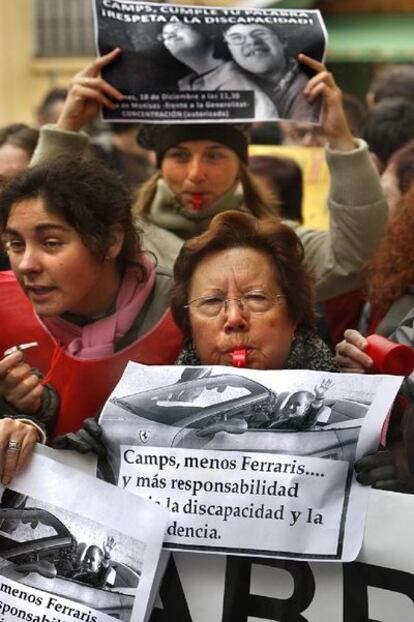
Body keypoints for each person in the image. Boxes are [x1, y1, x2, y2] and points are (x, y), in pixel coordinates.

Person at [32, 49, 388, 305]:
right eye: (179, 155)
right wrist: (68, 126)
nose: (196, 174)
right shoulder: (120, 242)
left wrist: (341, 139)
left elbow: (358, 255)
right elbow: (39, 226)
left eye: (215, 156)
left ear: (241, 166)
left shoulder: (278, 243)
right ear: (159, 163)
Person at [0, 156, 182, 471]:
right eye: (15, 244)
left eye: (51, 243)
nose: (27, 264)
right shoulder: (4, 305)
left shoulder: (185, 312)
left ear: (110, 241)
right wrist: (13, 412)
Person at [158, 21, 278, 120]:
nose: (169, 36)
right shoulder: (189, 84)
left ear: (208, 32)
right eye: (164, 35)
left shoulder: (239, 85)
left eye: (179, 28)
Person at [223, 25, 319, 122]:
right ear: (230, 51)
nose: (251, 41)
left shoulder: (308, 88)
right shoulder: (228, 78)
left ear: (282, 41)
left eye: (260, 33)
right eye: (236, 38)